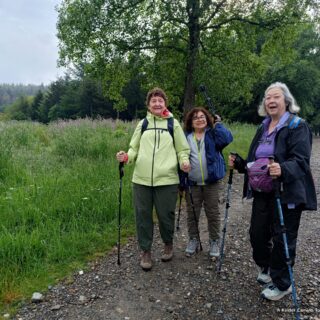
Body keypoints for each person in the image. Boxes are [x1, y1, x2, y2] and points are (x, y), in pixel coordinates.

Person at [229, 82, 317, 301]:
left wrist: (282, 168)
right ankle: (267, 267)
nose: (271, 101)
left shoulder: (297, 126)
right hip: (262, 190)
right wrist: (241, 164)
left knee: (283, 238)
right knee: (257, 234)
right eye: (267, 97)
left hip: (286, 191)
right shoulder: (263, 126)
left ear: (286, 101)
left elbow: (301, 161)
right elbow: (256, 160)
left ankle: (282, 283)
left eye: (276, 97)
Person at [116, 87, 190, 271]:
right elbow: (134, 147)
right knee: (142, 216)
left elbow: (182, 149)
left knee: (166, 215)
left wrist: (184, 161)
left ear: (165, 103)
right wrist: (126, 157)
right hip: (141, 180)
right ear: (149, 105)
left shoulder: (173, 124)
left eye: (160, 100)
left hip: (167, 179)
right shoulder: (143, 124)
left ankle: (168, 244)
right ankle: (146, 251)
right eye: (153, 101)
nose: (157, 104)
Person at [183, 107, 233, 258]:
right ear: (191, 122)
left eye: (203, 117)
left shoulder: (213, 134)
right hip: (192, 182)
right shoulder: (186, 137)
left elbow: (227, 139)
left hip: (211, 182)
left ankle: (214, 241)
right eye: (196, 117)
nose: (200, 119)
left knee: (212, 213)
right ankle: (193, 239)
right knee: (192, 213)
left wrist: (218, 123)